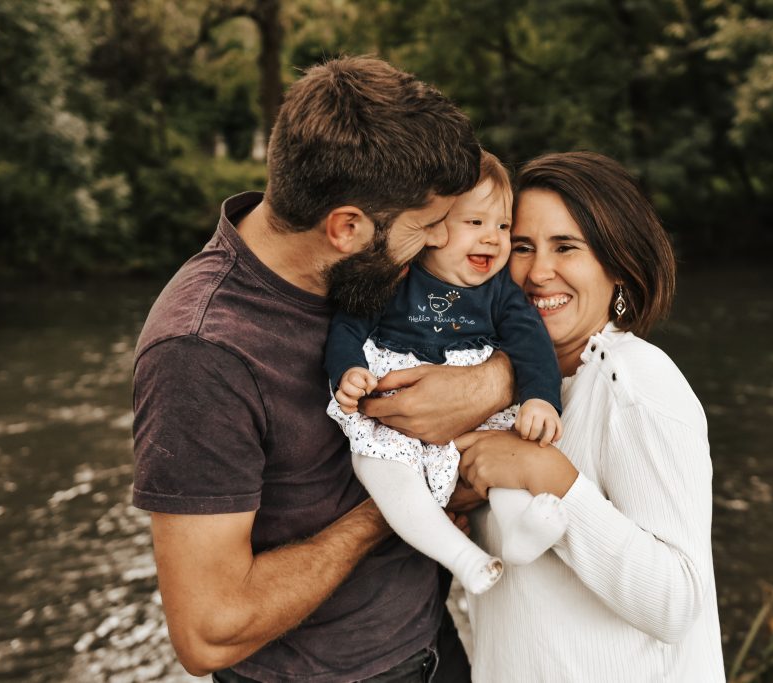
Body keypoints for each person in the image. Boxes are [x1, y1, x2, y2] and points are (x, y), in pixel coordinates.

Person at [131, 56, 515, 682]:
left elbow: (529, 331)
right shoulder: (201, 354)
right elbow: (208, 631)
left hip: (432, 643)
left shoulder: (362, 268)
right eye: (425, 228)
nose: (443, 242)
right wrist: (390, 512)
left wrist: (489, 382)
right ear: (346, 228)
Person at [456, 151, 727, 681]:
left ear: (618, 266)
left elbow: (677, 601)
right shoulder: (505, 386)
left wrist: (549, 478)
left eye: (566, 248)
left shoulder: (637, 382)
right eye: (522, 247)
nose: (537, 272)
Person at [324, 151, 566, 596]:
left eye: (503, 226)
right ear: (434, 229)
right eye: (476, 223)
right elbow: (347, 325)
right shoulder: (397, 275)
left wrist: (540, 398)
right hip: (392, 405)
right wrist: (349, 370)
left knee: (506, 455)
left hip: (474, 417)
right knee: (379, 467)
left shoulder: (501, 294)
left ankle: (518, 533)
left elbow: (533, 347)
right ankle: (461, 557)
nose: (493, 239)